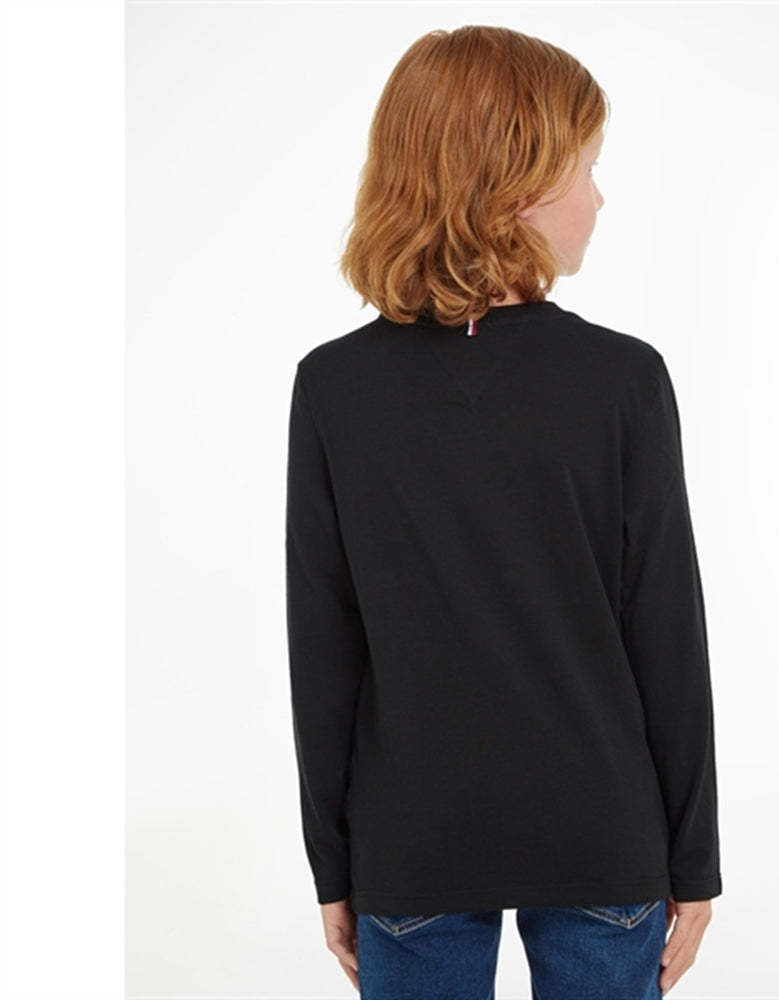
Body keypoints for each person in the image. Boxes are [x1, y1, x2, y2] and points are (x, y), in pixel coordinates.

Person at [285, 24, 722, 999]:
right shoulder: (622, 380)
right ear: (517, 184)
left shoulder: (334, 387)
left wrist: (334, 864)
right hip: (602, 834)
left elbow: (324, 650)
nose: (601, 198)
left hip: (411, 843)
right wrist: (694, 858)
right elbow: (667, 635)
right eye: (588, 168)